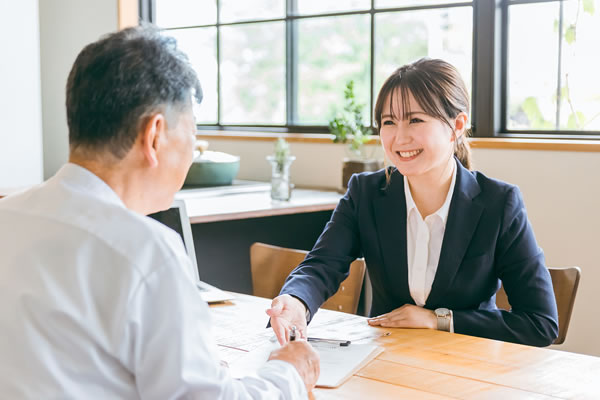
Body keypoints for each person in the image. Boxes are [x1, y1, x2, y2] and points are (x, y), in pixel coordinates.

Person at [0, 25, 318, 399]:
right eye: (193, 130)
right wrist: (289, 372)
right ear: (154, 135)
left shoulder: (9, 216)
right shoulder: (146, 251)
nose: (193, 146)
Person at [267, 58, 559, 348]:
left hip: (467, 369)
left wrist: (438, 319)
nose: (400, 137)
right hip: (383, 361)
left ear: (457, 125)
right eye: (389, 122)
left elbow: (540, 323)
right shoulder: (365, 193)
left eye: (415, 120)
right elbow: (322, 265)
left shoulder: (499, 204)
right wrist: (296, 301)